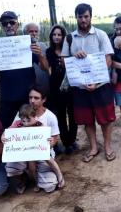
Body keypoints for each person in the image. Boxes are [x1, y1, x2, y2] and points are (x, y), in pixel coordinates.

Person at [61, 3, 116, 163]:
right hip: (80, 87)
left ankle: (107, 146)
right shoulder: (69, 38)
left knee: (106, 119)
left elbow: (108, 59)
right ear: (76, 17)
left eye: (86, 16)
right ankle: (93, 147)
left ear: (91, 16)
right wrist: (74, 56)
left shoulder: (101, 35)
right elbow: (64, 61)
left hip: (100, 86)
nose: (83, 19)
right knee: (87, 119)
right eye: (80, 16)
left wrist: (96, 81)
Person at [0, 11, 49, 128]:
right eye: (5, 23)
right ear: (2, 27)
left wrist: (40, 55)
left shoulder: (27, 43)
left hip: (27, 97)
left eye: (12, 22)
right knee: (8, 128)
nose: (9, 25)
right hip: (7, 98)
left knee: (31, 128)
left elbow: (45, 68)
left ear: (17, 24)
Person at [5, 85, 61, 193]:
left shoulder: (50, 116)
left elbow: (55, 138)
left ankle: (44, 176)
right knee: (11, 168)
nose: (32, 101)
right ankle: (23, 179)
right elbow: (11, 130)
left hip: (42, 154)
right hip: (23, 152)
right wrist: (5, 136)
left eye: (36, 98)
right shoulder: (22, 113)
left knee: (49, 186)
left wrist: (50, 143)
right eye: (30, 97)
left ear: (44, 99)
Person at [45, 24, 78, 154]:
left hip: (70, 86)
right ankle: (66, 142)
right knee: (61, 116)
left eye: (59, 35)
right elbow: (48, 69)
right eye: (54, 34)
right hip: (56, 88)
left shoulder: (70, 50)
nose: (57, 37)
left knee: (73, 114)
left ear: (63, 37)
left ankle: (72, 139)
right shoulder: (49, 51)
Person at [23, 22, 50, 94]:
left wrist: (40, 55)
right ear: (24, 33)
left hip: (44, 87)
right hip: (28, 89)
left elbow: (47, 67)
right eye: (31, 31)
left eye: (36, 31)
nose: (34, 33)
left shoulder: (43, 46)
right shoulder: (21, 48)